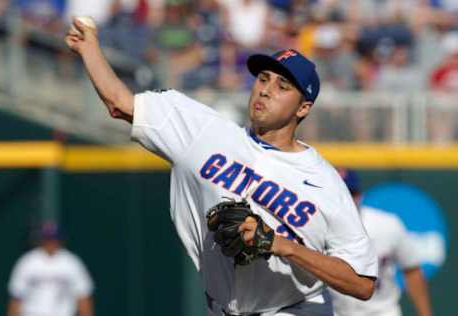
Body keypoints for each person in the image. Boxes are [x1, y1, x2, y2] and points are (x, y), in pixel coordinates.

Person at [65, 18, 377, 315]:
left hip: (295, 310)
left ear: (304, 107)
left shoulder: (325, 183)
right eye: (263, 79)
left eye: (283, 86)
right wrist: (89, 47)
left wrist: (285, 247)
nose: (266, 89)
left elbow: (362, 283)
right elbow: (120, 103)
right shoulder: (204, 130)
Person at [330, 168, 433, 316]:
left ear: (359, 195)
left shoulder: (387, 225)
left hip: (381, 311)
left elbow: (412, 270)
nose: (345, 199)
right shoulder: (315, 228)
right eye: (339, 194)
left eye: (350, 193)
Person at [7, 222, 94, 316]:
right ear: (42, 239)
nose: (51, 242)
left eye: (54, 238)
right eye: (48, 238)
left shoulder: (71, 263)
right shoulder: (28, 262)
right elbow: (16, 298)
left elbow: (83, 297)